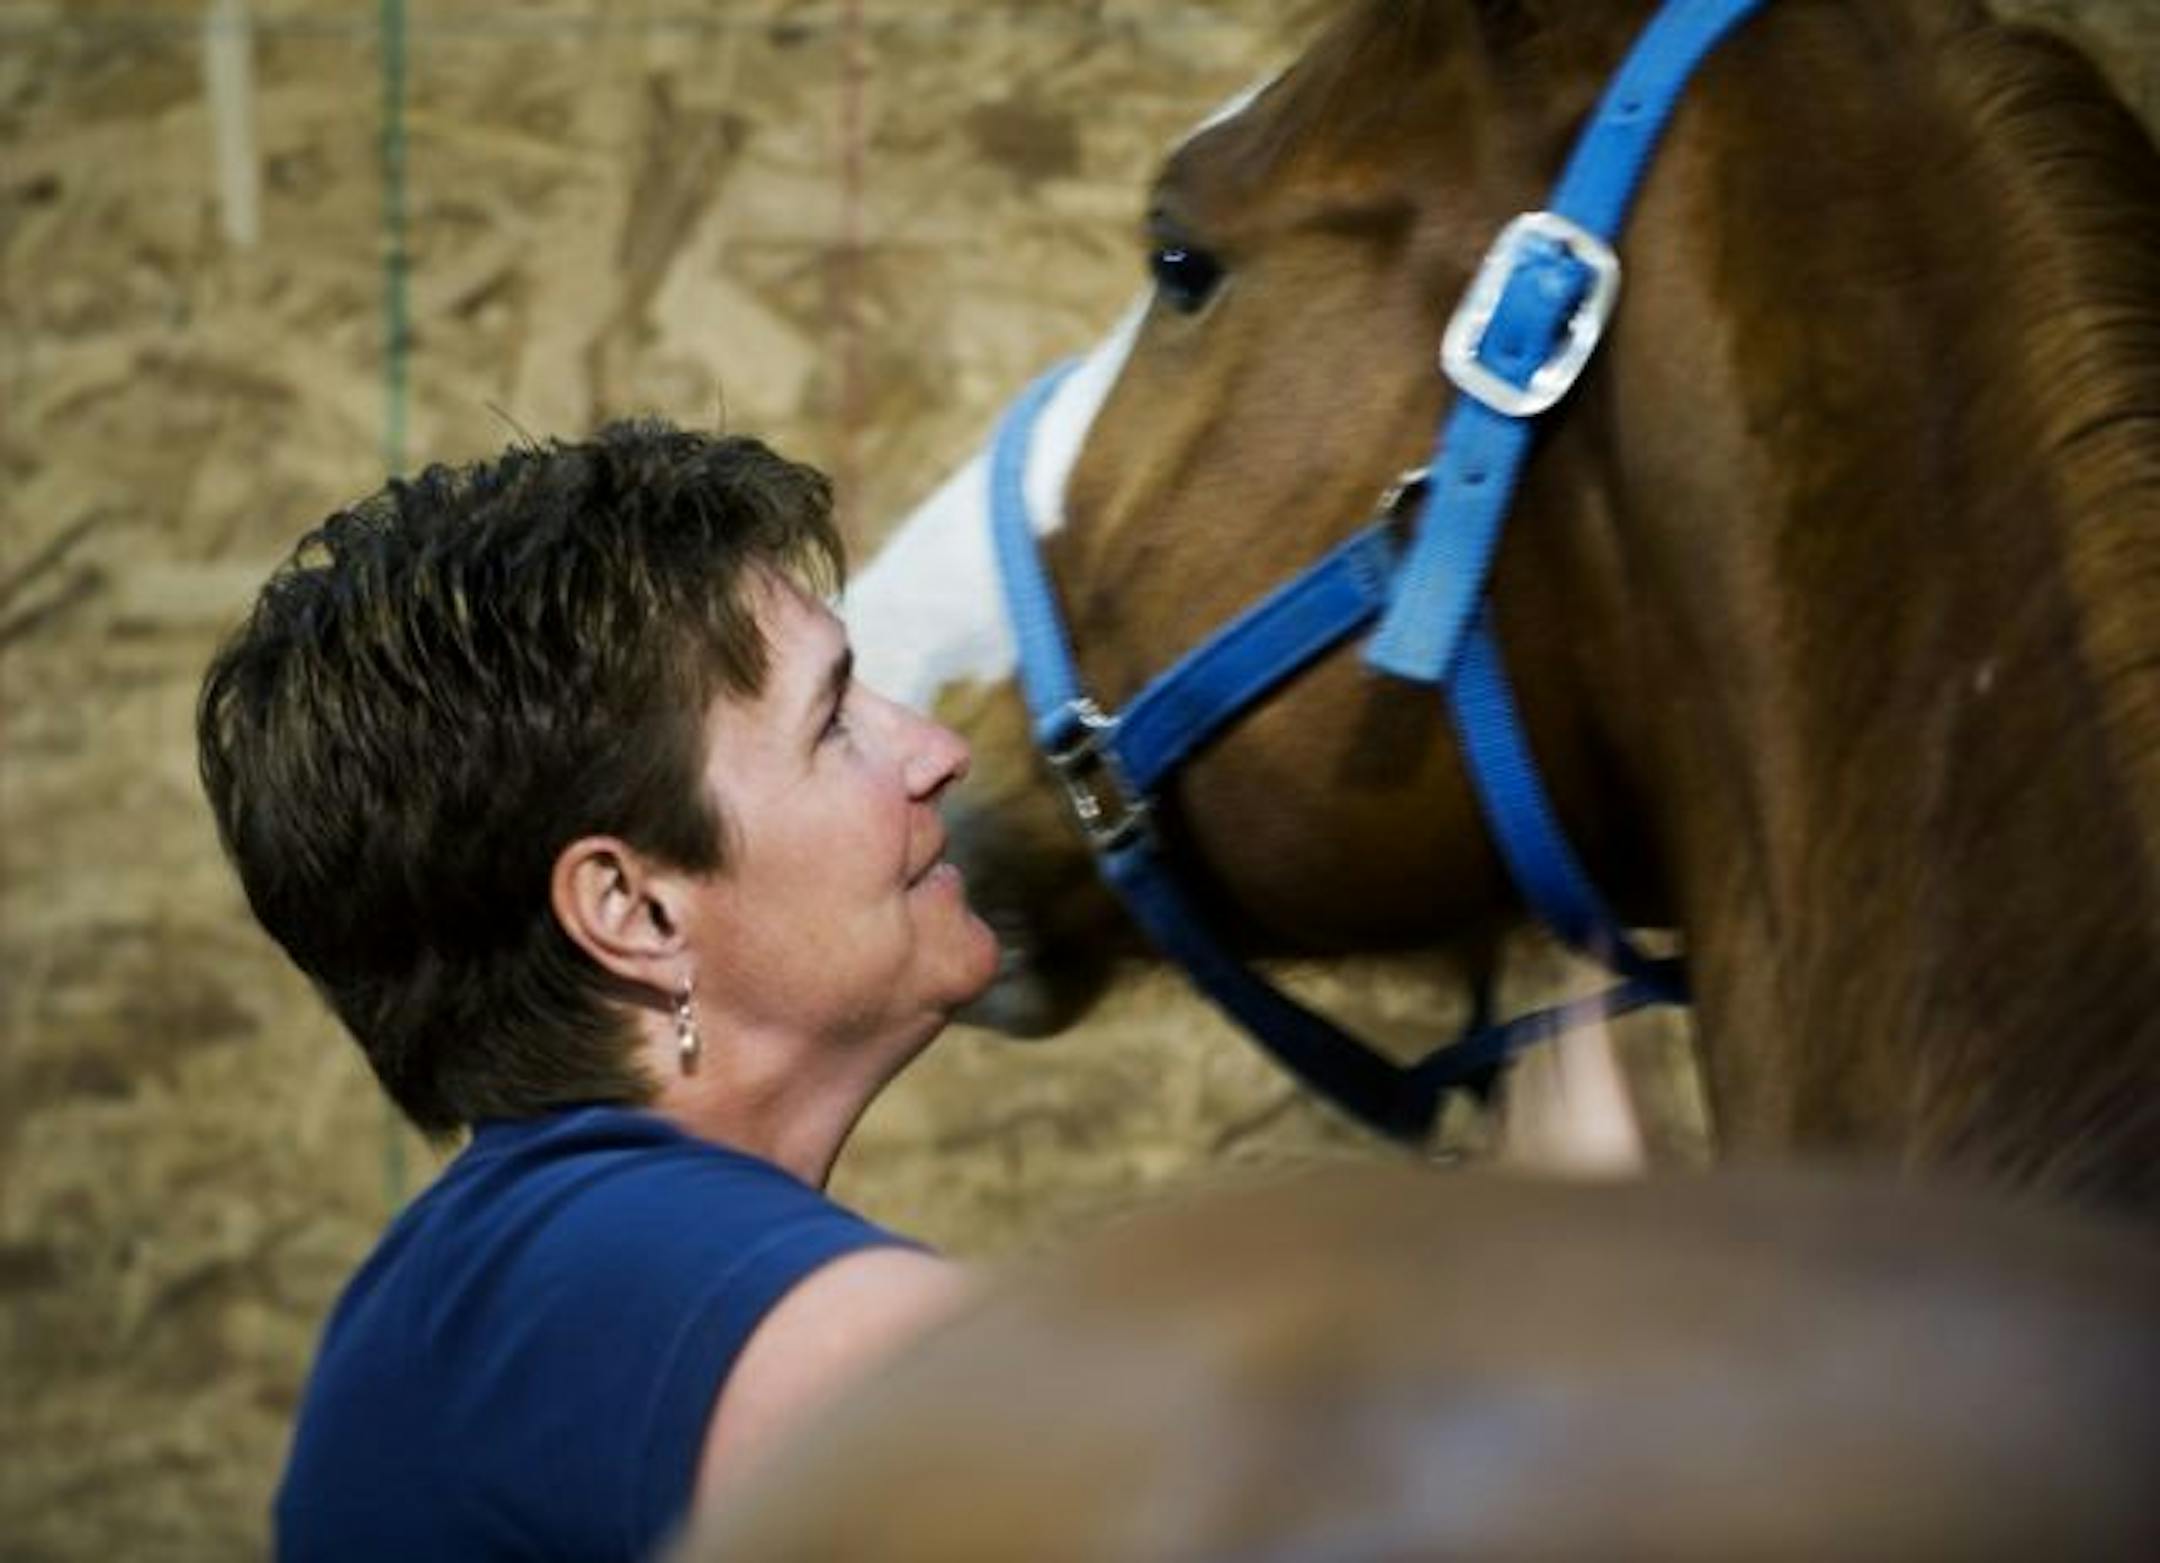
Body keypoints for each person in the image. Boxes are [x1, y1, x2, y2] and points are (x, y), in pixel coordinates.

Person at [197, 420, 1001, 1560]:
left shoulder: (496, 1280)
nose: (936, 750)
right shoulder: (589, 1278)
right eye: (832, 722)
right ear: (636, 911)